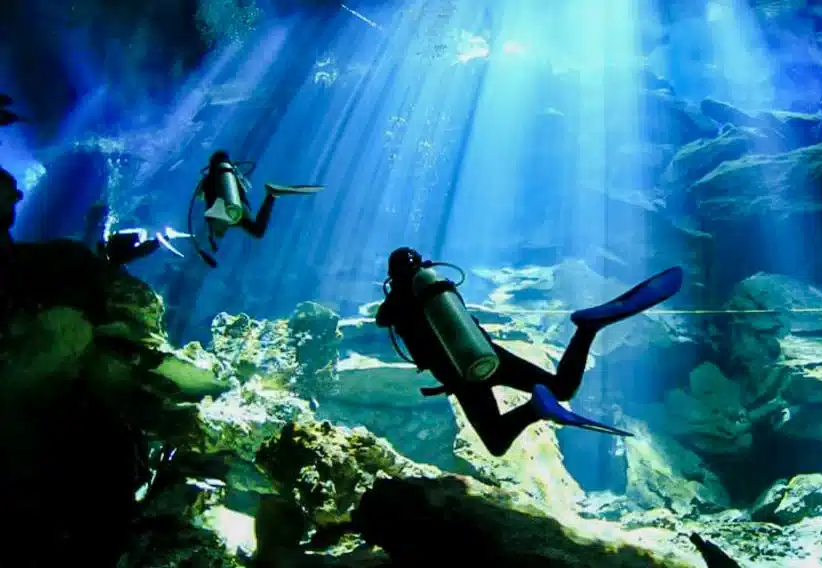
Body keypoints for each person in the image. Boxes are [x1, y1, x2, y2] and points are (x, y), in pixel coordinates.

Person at [376, 247, 683, 456]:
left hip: (463, 375)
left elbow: (382, 319)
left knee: (496, 441)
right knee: (561, 388)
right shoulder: (436, 285)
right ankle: (587, 328)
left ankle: (535, 409)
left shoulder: (396, 304)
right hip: (490, 354)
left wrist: (394, 291)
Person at [188, 150, 324, 267]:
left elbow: (199, 197)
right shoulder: (232, 173)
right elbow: (246, 187)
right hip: (238, 207)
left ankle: (271, 195)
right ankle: (271, 195)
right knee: (257, 230)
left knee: (218, 228)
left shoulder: (207, 179)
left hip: (222, 211)